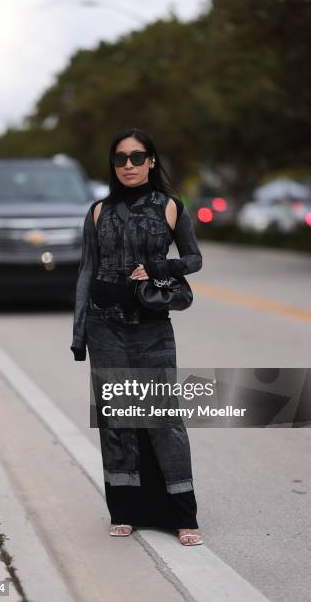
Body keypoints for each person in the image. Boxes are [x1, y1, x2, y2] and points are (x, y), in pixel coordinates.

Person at [71, 127, 203, 546]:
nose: (128, 165)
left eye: (136, 156)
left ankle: (183, 515)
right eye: (120, 158)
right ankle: (124, 510)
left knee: (164, 418)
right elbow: (86, 272)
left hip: (151, 327)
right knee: (116, 420)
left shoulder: (170, 206)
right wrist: (79, 334)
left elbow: (194, 259)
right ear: (113, 165)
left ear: (150, 161)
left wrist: (160, 270)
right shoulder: (97, 212)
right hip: (103, 325)